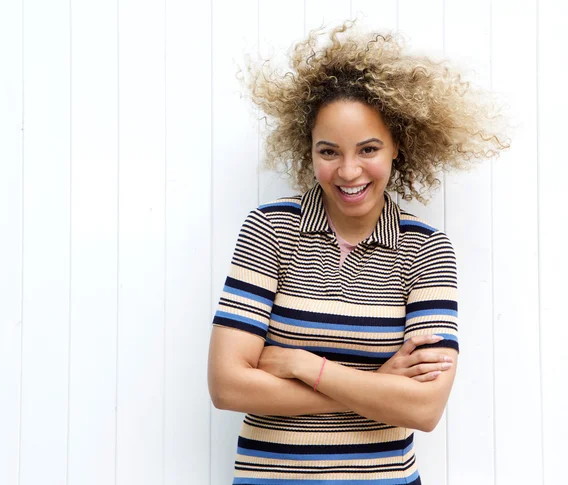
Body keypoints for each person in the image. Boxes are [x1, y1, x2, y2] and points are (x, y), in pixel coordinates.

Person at [207, 19, 510, 484]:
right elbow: (227, 386)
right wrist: (379, 387)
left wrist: (302, 365)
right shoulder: (270, 229)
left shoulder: (426, 250)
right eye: (329, 151)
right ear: (308, 151)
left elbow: (425, 408)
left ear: (397, 149)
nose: (349, 171)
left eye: (368, 148)